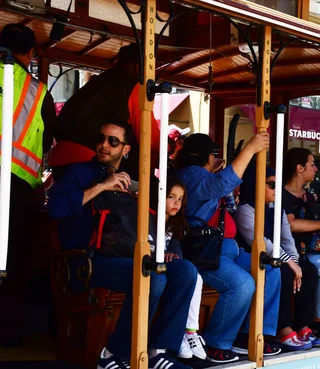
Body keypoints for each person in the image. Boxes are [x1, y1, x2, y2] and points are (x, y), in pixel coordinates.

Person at [48, 121, 196, 369]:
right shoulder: (79, 173)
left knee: (186, 272)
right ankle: (112, 354)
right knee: (152, 277)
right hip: (87, 261)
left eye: (113, 141)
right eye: (101, 139)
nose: (104, 145)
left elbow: (164, 221)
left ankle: (158, 351)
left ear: (125, 149)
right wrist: (102, 186)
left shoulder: (134, 180)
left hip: (129, 256)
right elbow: (55, 208)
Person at [176, 132, 281, 363]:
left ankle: (249, 335)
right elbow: (223, 183)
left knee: (270, 269)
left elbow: (225, 193)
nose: (216, 158)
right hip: (205, 251)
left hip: (225, 248)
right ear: (207, 156)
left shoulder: (202, 175)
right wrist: (250, 148)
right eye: (214, 154)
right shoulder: (191, 174)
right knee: (242, 285)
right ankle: (216, 343)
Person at [0, 23, 57, 346]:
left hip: (15, 183)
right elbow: (47, 139)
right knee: (12, 261)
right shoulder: (37, 91)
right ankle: (7, 335)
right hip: (16, 184)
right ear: (31, 54)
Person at [234, 163, 317, 351]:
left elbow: (287, 240)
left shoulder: (276, 210)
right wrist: (290, 264)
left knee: (308, 270)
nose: (275, 190)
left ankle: (301, 324)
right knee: (284, 272)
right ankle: (283, 329)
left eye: (278, 185)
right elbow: (263, 243)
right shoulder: (245, 210)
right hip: (254, 257)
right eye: (271, 185)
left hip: (279, 256)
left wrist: (295, 262)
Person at [49, 43, 161, 179]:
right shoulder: (133, 86)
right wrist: (168, 147)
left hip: (58, 157)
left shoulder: (98, 82)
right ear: (139, 67)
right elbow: (148, 135)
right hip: (90, 160)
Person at [283, 148, 320, 344]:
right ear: (299, 168)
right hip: (288, 252)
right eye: (311, 164)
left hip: (308, 251)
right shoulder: (282, 194)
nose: (316, 169)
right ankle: (306, 324)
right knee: (311, 270)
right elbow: (292, 224)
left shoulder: (309, 196)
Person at [162, 180, 207, 360]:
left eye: (180, 199)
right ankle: (179, 332)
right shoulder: (150, 217)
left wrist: (172, 254)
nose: (176, 203)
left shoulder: (175, 223)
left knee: (195, 277)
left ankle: (189, 332)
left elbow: (176, 251)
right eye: (171, 197)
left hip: (170, 266)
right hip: (150, 264)